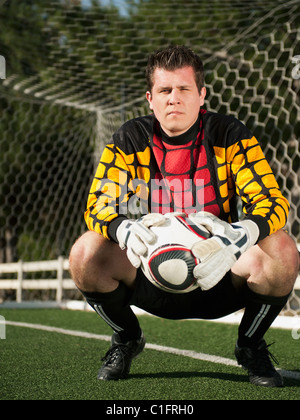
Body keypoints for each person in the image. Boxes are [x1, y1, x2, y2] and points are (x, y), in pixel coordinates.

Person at [69, 45, 299, 387]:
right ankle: (127, 338)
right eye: (164, 90)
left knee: (282, 249)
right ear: (150, 98)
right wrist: (124, 230)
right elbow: (97, 206)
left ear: (201, 94)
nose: (173, 99)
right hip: (151, 276)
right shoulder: (130, 140)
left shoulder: (229, 135)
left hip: (217, 273)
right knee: (85, 252)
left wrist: (242, 234)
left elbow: (272, 201)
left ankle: (250, 346)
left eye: (183, 89)